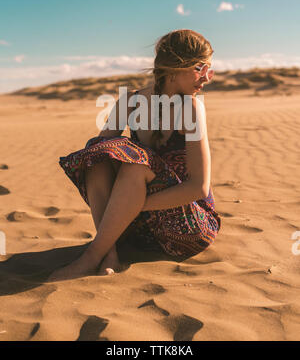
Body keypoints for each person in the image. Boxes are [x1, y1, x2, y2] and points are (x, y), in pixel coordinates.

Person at [47, 29, 221, 282]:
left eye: (210, 69)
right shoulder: (130, 101)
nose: (207, 78)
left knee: (135, 165)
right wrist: (125, 209)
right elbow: (95, 159)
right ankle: (110, 254)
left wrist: (133, 207)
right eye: (200, 68)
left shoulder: (192, 108)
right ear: (173, 67)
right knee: (98, 152)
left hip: (189, 227)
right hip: (138, 229)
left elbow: (198, 187)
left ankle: (92, 256)